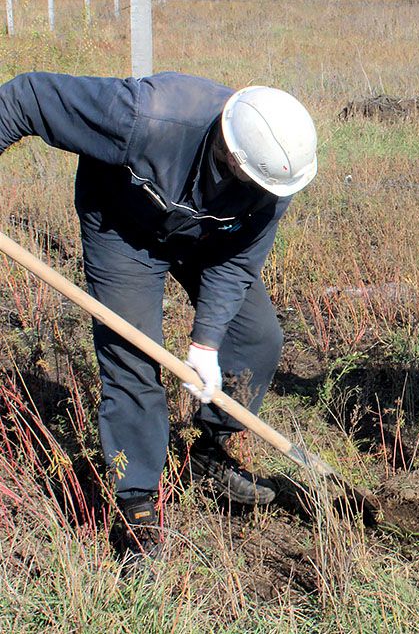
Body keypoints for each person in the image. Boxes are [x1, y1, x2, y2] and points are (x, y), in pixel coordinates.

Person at [0, 72, 318, 559]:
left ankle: (206, 454)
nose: (262, 191)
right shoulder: (146, 116)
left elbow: (237, 263)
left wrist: (206, 343)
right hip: (122, 231)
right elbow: (26, 98)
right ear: (231, 152)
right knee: (131, 356)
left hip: (210, 241)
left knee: (256, 340)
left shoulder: (277, 176)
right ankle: (137, 505)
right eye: (251, 179)